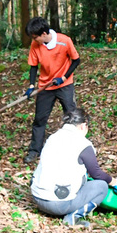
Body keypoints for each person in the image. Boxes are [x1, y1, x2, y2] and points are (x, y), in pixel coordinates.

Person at [31, 108, 117, 228]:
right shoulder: (83, 144)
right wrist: (115, 182)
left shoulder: (53, 137)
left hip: (38, 198)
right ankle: (74, 217)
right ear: (83, 125)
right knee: (102, 186)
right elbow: (97, 174)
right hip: (58, 205)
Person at [23, 17, 81, 163]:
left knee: (72, 117)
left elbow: (76, 60)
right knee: (39, 119)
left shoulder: (64, 41)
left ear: (43, 34)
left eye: (35, 37)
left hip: (64, 85)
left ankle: (77, 149)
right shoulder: (35, 45)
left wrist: (64, 77)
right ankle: (35, 151)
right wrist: (31, 86)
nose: (33, 40)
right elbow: (33, 66)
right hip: (45, 86)